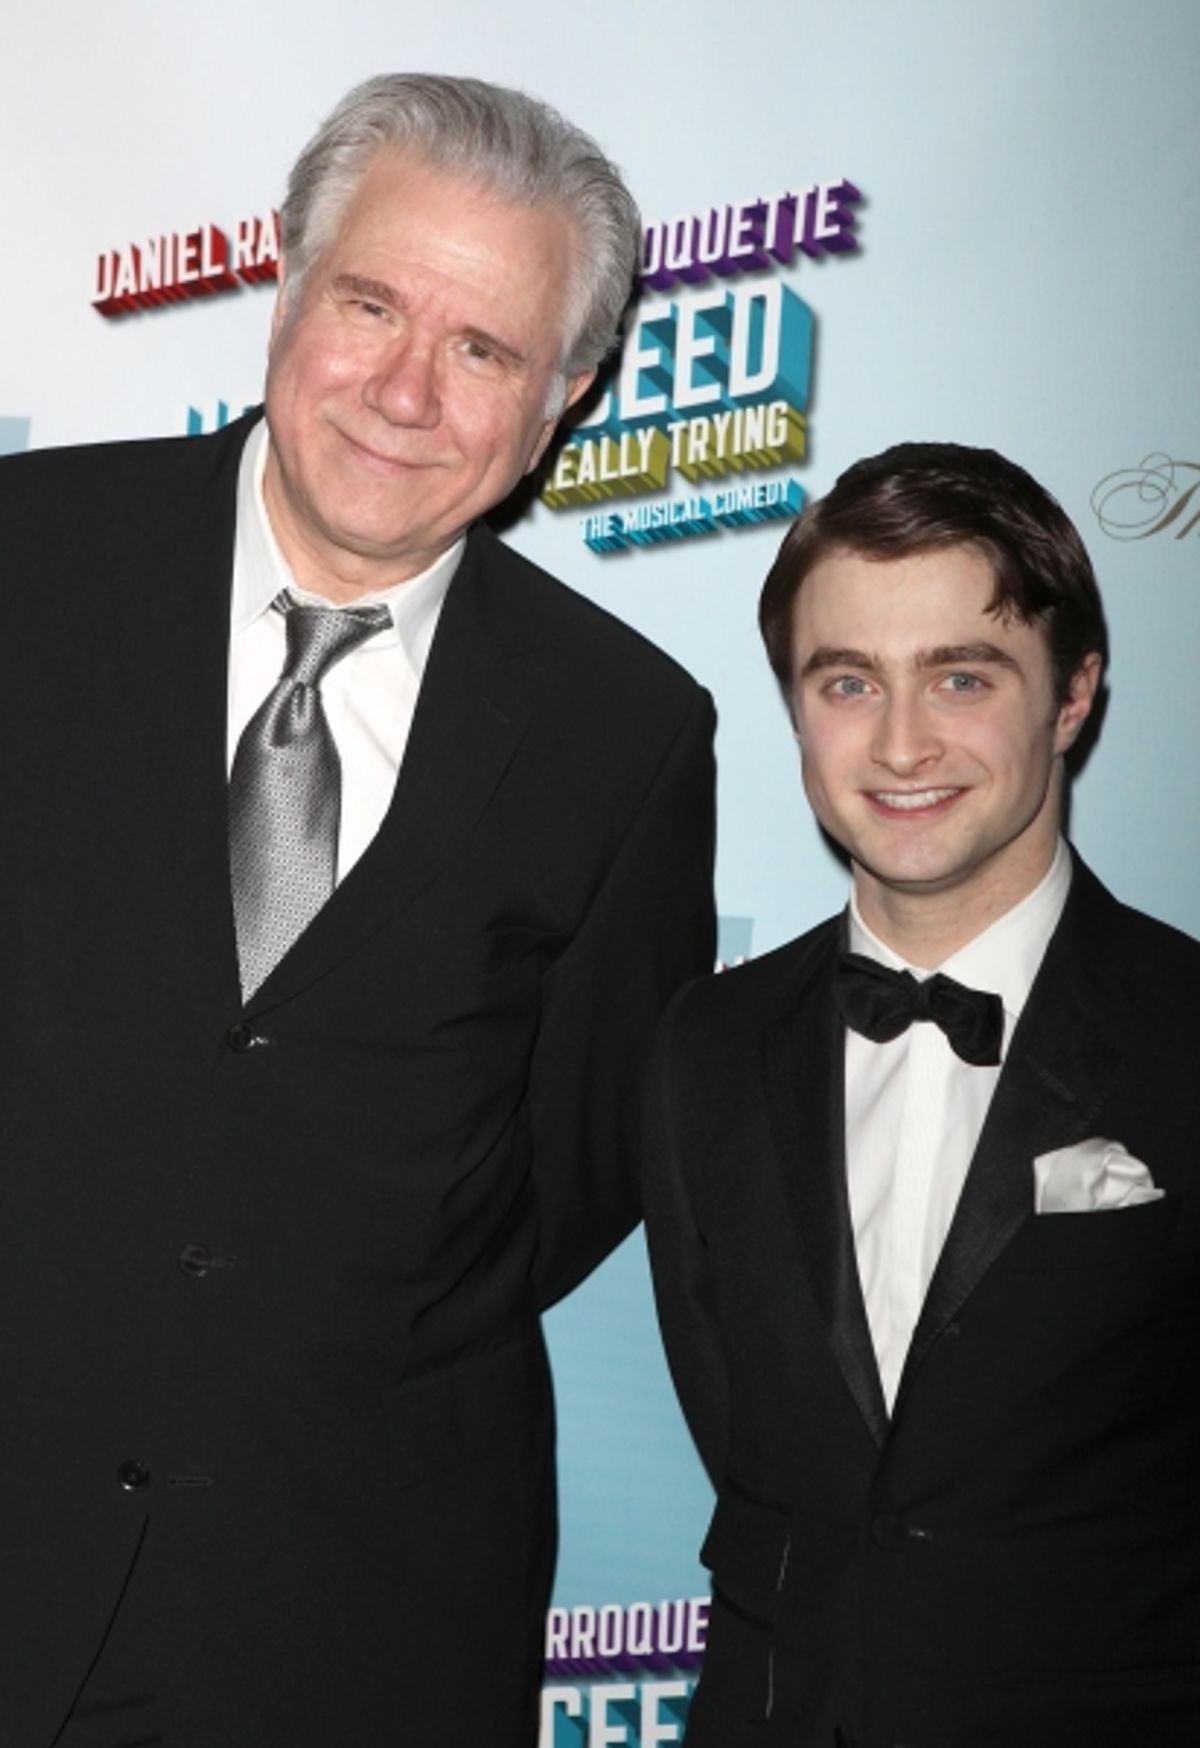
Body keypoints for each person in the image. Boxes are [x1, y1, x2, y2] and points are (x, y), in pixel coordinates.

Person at [0, 74, 714, 1748]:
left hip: (361, 1607)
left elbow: (581, 1170)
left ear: (567, 397)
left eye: (483, 349)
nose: (405, 389)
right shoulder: (21, 569)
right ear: (286, 287)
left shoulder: (626, 730)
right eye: (373, 303)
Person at [644, 442, 1200, 1748]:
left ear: (1073, 697)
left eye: (962, 674)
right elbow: (748, 1441)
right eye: (848, 681)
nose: (900, 743)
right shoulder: (702, 1046)